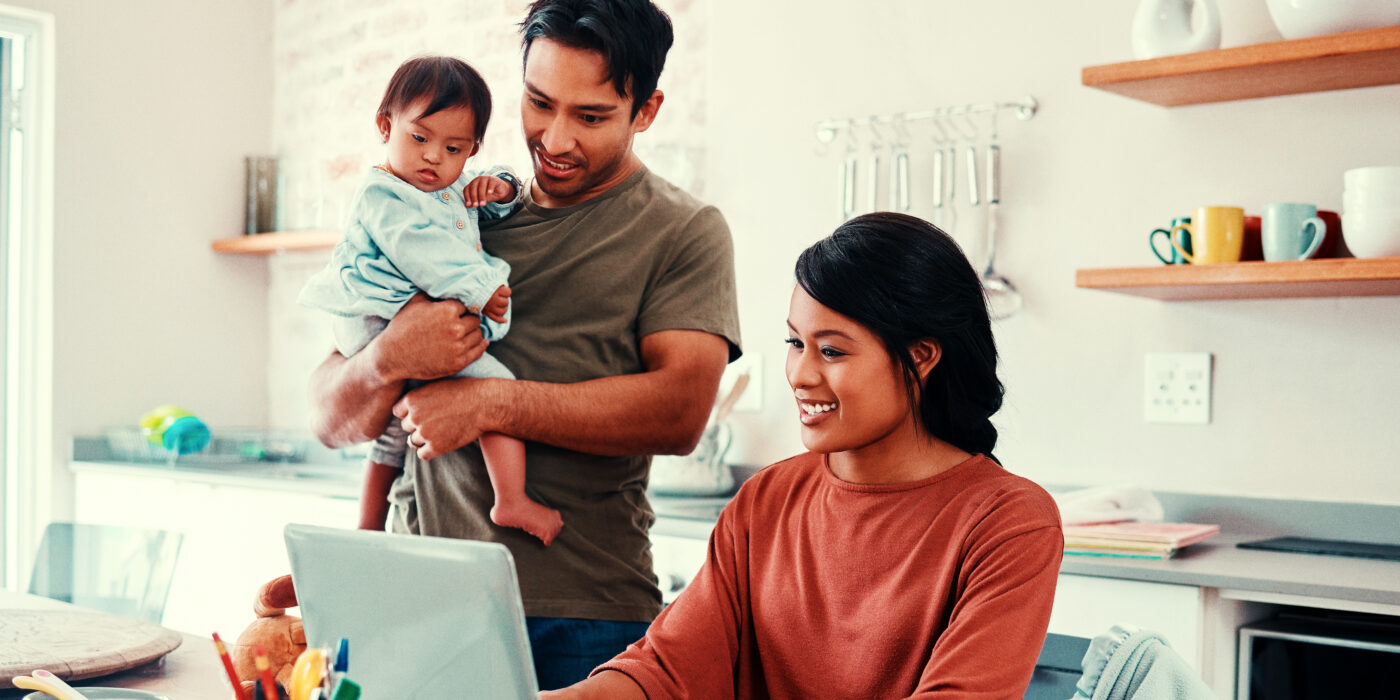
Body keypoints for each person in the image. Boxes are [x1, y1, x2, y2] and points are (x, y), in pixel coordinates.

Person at [306, 0, 741, 689]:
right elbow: (331, 419)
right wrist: (391, 356)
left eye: (591, 117)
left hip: (586, 616)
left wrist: (490, 407)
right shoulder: (456, 208)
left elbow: (680, 412)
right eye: (539, 103)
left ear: (646, 110)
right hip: (418, 599)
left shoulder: (683, 232)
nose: (557, 138)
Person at [545, 213, 1064, 699]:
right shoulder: (767, 499)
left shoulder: (1009, 523)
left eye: (832, 350)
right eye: (796, 343)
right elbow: (665, 669)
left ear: (922, 357)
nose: (801, 374)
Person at [297, 55, 563, 546]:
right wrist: (480, 291)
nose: (433, 157)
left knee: (395, 430)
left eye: (454, 148)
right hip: (377, 318)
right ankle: (513, 500)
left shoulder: (448, 184)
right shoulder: (385, 193)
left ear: (471, 150)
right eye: (419, 139)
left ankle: (367, 530)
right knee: (497, 385)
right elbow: (422, 252)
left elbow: (487, 199)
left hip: (387, 317)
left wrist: (499, 186)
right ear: (385, 125)